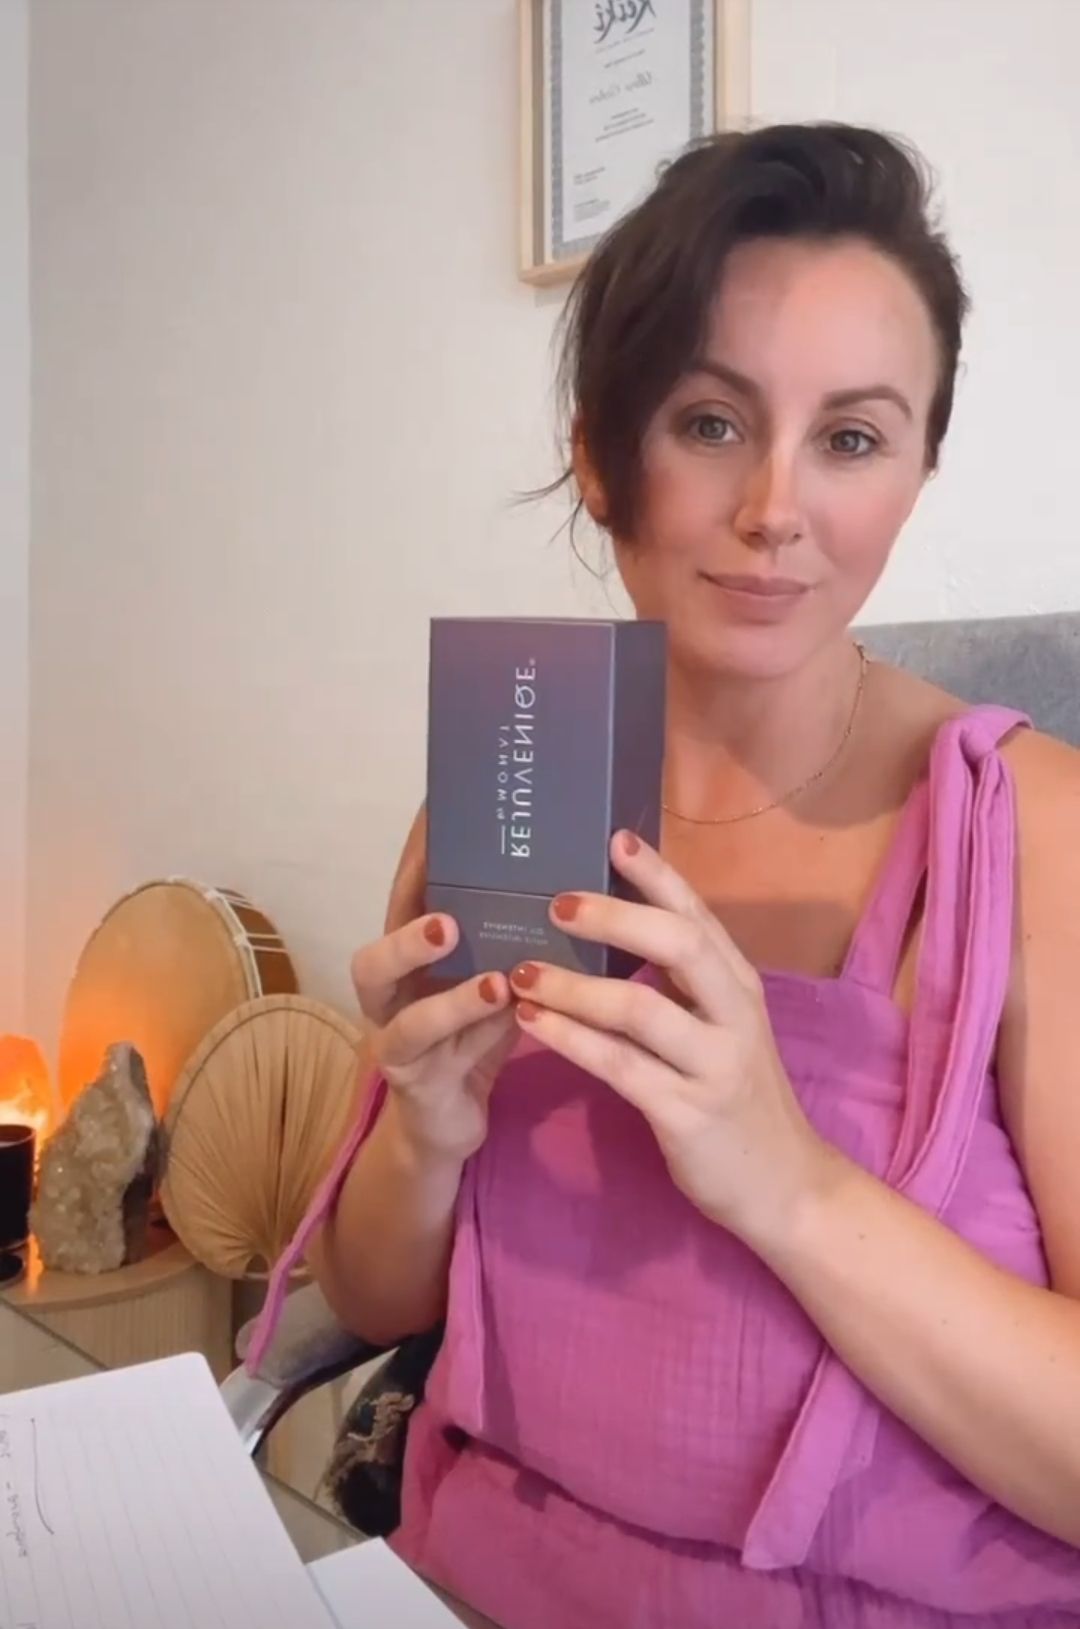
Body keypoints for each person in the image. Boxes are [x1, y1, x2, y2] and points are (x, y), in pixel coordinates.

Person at [253, 124, 1080, 1626]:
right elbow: (380, 1304)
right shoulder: (502, 797)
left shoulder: (1035, 833)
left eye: (851, 438)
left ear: (919, 470)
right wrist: (424, 1135)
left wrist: (787, 1179)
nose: (776, 507)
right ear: (599, 453)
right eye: (710, 421)